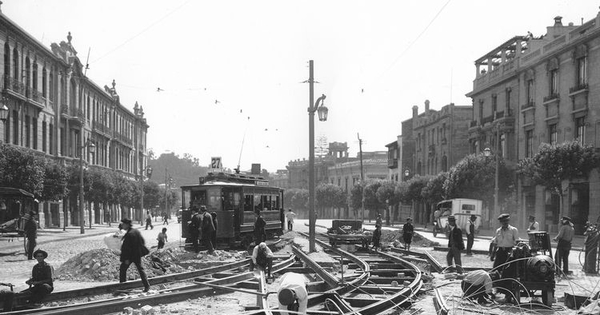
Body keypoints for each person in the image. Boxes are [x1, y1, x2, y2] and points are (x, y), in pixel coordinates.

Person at [119, 218, 150, 292]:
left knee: (123, 269)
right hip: (137, 254)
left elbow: (127, 248)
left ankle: (123, 287)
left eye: (123, 224)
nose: (122, 225)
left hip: (130, 256)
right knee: (140, 270)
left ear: (127, 225)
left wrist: (126, 259)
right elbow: (142, 241)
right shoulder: (136, 231)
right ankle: (147, 285)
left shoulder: (129, 234)